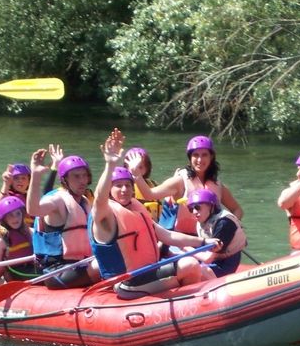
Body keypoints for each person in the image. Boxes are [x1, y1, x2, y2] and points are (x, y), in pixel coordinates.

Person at [90, 128, 220, 299]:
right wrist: (110, 164)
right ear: (110, 190)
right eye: (118, 186)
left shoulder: (136, 208)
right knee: (189, 265)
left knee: (198, 269)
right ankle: (188, 309)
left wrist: (203, 241)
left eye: (128, 185)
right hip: (128, 282)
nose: (124, 190)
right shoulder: (104, 214)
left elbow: (167, 235)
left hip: (148, 272)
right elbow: (99, 197)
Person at [128, 135, 243, 235]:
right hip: (181, 239)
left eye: (204, 155)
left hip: (209, 238)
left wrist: (228, 226)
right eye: (195, 155)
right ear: (190, 158)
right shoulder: (180, 181)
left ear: (211, 157)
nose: (199, 159)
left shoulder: (217, 184)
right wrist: (137, 176)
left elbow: (237, 210)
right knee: (191, 262)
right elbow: (150, 194)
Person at [26, 148, 99, 289]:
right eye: (76, 176)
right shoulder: (58, 201)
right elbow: (33, 209)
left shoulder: (84, 202)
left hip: (81, 264)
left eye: (84, 176)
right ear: (65, 180)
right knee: (101, 265)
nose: (82, 181)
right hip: (57, 271)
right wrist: (35, 175)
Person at [186, 189, 247, 279]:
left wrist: (185, 248)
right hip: (215, 261)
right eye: (191, 209)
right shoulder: (203, 221)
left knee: (194, 269)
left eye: (197, 207)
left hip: (224, 265)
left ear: (211, 206)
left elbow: (208, 258)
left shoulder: (224, 223)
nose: (194, 212)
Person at [0, 196, 36, 281]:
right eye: (10, 215)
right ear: (4, 219)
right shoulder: (1, 239)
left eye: (18, 213)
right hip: (17, 271)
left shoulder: (27, 230)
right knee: (51, 276)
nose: (15, 218)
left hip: (31, 265)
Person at [123, 146, 161, 220]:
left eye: (140, 167)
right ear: (126, 167)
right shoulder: (125, 187)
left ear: (147, 167)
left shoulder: (153, 184)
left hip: (154, 225)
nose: (136, 170)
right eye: (133, 167)